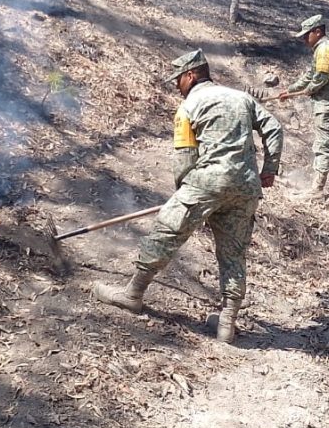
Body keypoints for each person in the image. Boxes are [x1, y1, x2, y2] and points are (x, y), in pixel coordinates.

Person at [93, 50, 284, 343]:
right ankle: (226, 324)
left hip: (207, 180)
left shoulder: (189, 106)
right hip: (246, 188)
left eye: (178, 79)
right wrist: (269, 169)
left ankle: (132, 294)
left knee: (166, 231)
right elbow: (274, 128)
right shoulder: (242, 98)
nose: (176, 86)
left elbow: (184, 159)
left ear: (191, 75)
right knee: (233, 253)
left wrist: (185, 194)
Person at [277, 14, 329, 195]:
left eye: (306, 35)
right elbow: (310, 75)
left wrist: (309, 90)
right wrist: (290, 90)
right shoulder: (320, 49)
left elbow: (320, 78)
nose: (304, 39)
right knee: (322, 139)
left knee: (322, 144)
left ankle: (317, 190)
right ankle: (317, 180)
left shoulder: (325, 49)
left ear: (317, 32)